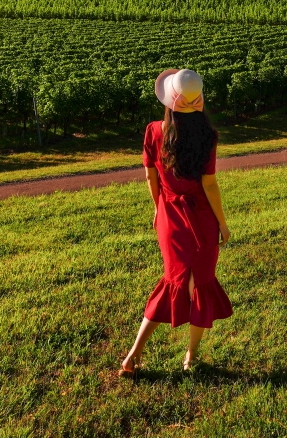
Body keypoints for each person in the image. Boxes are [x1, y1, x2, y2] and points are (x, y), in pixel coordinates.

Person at [119, 68, 233, 377]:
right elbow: (210, 185)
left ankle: (134, 353)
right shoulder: (209, 135)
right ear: (199, 100)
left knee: (173, 281)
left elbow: (150, 175)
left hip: (170, 216)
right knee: (200, 285)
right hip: (202, 216)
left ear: (169, 101)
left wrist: (158, 206)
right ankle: (190, 357)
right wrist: (222, 223)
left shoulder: (154, 131)